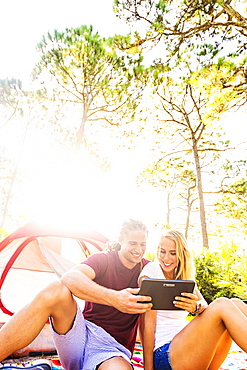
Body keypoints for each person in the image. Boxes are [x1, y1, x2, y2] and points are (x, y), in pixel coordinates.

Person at [0, 219, 152, 370]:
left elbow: (149, 322)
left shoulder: (147, 270)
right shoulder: (104, 259)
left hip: (111, 349)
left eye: (143, 244)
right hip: (80, 336)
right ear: (121, 240)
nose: (138, 249)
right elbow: (69, 277)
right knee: (56, 289)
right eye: (133, 243)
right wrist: (115, 298)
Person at [139, 229, 247, 370]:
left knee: (236, 304)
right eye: (162, 251)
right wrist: (148, 368)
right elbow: (147, 324)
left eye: (173, 253)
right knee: (223, 304)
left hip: (191, 352)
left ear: (182, 254)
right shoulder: (152, 271)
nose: (166, 258)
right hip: (166, 353)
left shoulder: (183, 277)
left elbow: (204, 305)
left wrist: (196, 307)